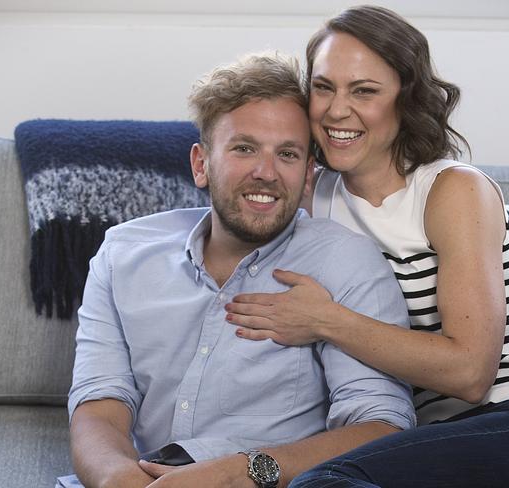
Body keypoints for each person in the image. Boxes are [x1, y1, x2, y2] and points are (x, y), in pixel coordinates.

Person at [225, 6, 509, 487]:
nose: (337, 110)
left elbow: (470, 372)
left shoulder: (452, 191)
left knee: (323, 482)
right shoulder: (315, 197)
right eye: (323, 87)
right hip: (419, 436)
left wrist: (324, 320)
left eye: (364, 91)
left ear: (406, 98)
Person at [59, 53, 416, 488]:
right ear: (201, 164)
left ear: (308, 175)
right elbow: (99, 402)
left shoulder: (346, 263)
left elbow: (383, 426)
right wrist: (118, 481)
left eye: (286, 154)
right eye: (244, 148)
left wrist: (244, 471)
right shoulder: (123, 253)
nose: (266, 173)